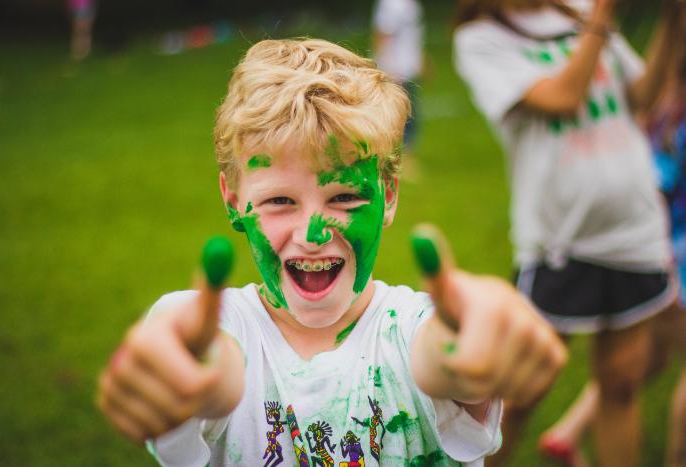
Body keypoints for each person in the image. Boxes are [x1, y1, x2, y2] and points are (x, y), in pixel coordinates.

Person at [96, 38, 566, 466]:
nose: (314, 232)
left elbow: (445, 363)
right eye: (280, 201)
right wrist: (190, 372)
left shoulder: (410, 330)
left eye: (345, 197)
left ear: (390, 196)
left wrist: (474, 339)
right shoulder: (223, 330)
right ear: (234, 200)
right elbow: (213, 371)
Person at [453, 0, 680, 466]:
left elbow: (642, 98)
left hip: (634, 230)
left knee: (621, 386)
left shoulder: (578, 10)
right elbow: (562, 97)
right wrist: (601, 20)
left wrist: (674, 23)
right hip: (560, 241)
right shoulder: (480, 39)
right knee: (518, 394)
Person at [539, 4, 686, 465]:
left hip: (654, 247)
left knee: (638, 366)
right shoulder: (667, 116)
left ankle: (569, 431)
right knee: (535, 374)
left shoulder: (662, 105)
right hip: (658, 248)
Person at [372, 0, 425, 178]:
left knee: (411, 116)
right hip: (396, 71)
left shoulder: (410, 4)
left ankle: (400, 158)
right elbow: (382, 34)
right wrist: (389, 67)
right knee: (403, 117)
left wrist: (419, 59)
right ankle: (398, 161)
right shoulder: (393, 4)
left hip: (406, 68)